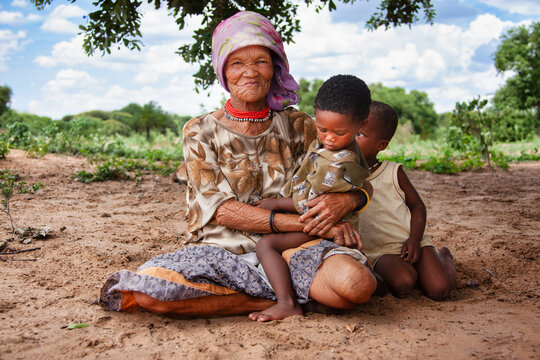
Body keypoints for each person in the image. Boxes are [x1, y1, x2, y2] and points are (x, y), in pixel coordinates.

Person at [98, 11, 377, 316]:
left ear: (275, 66)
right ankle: (275, 300)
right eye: (238, 63)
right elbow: (222, 210)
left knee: (357, 285)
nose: (251, 73)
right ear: (222, 70)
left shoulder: (302, 126)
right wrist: (318, 226)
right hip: (223, 251)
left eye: (261, 61)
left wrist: (347, 200)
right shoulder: (200, 130)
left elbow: (360, 180)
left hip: (294, 247)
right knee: (151, 291)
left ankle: (274, 295)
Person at [248, 75, 372, 322]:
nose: (328, 138)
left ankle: (286, 302)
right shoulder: (346, 150)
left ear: (362, 126)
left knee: (266, 246)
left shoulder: (336, 164)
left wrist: (276, 204)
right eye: (322, 129)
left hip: (321, 226)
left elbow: (310, 201)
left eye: (339, 132)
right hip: (323, 222)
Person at [355, 101, 457, 300]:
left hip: (410, 240)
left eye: (360, 134)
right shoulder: (343, 176)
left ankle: (443, 257)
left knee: (440, 290)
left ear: (381, 145)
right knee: (404, 284)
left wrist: (414, 240)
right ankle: (417, 272)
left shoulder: (393, 171)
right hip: (379, 250)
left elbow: (417, 206)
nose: (351, 138)